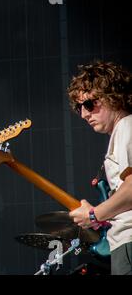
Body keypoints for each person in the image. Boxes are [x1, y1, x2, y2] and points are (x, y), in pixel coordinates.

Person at [68, 61, 132, 275]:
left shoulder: (126, 127)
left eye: (89, 104)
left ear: (113, 95)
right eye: (79, 108)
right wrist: (105, 216)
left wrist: (95, 215)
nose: (84, 114)